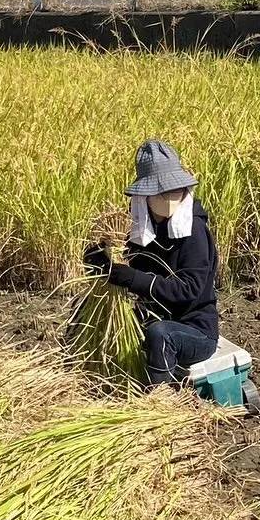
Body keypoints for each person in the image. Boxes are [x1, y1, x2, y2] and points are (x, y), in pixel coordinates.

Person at [84, 140, 219, 386]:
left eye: (175, 189)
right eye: (161, 191)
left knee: (161, 334)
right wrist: (100, 258)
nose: (170, 196)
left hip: (194, 330)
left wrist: (132, 278)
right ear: (144, 197)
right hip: (148, 316)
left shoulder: (194, 231)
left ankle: (158, 397)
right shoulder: (140, 228)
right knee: (86, 311)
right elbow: (121, 258)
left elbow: (188, 289)